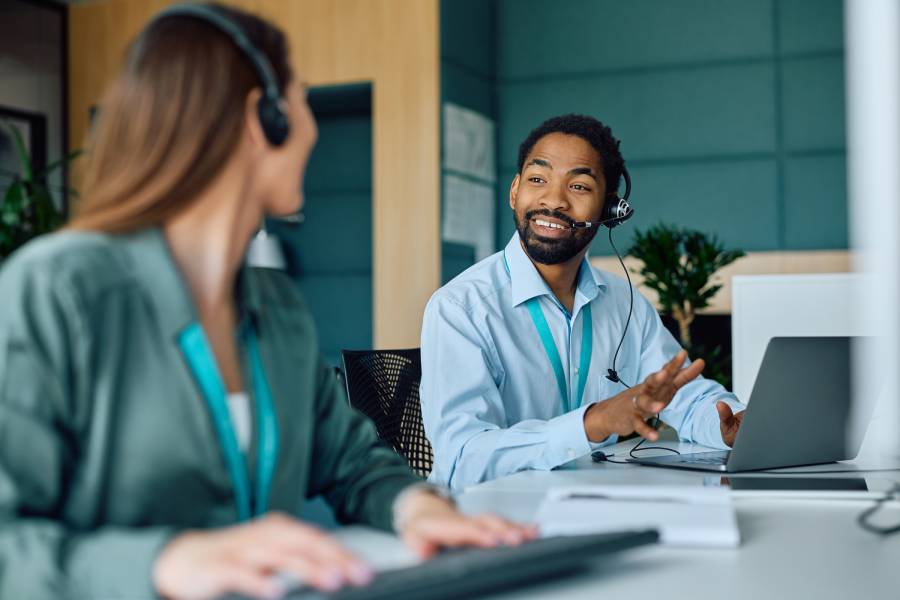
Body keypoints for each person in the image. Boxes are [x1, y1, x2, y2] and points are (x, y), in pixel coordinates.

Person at [0, 5, 534, 600]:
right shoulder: (56, 291)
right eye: (301, 101)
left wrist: (415, 507)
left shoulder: (277, 309)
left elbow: (353, 462)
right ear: (267, 118)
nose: (311, 129)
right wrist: (165, 561)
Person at [421, 114, 746, 490]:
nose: (553, 200)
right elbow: (461, 458)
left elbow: (682, 398)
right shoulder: (460, 308)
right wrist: (593, 423)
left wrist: (728, 424)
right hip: (495, 520)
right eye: (537, 180)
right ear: (515, 191)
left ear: (609, 210)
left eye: (578, 185)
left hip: (592, 505)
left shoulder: (623, 302)